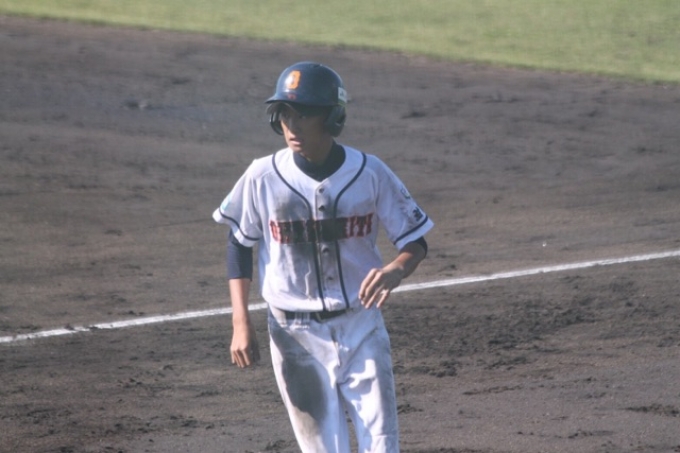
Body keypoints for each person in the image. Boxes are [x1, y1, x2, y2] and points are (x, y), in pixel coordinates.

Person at [212, 61, 434, 453]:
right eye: (285, 114)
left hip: (361, 326)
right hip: (294, 336)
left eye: (304, 114)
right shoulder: (262, 176)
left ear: (332, 118)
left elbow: (415, 241)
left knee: (383, 446)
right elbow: (239, 244)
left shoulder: (370, 172)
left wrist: (396, 270)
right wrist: (240, 322)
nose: (292, 126)